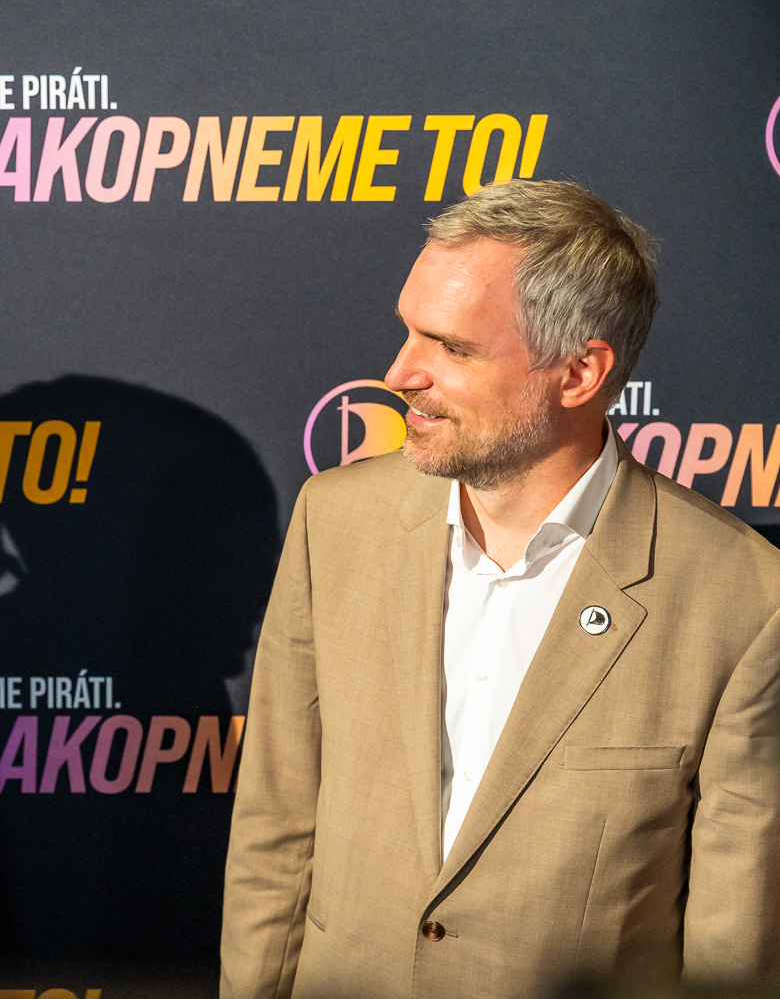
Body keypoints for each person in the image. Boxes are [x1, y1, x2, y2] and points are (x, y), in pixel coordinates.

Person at [221, 180, 780, 998]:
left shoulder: (744, 599)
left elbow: (733, 948)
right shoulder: (334, 524)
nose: (399, 372)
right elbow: (276, 832)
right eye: (408, 331)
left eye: (452, 348)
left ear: (580, 372)